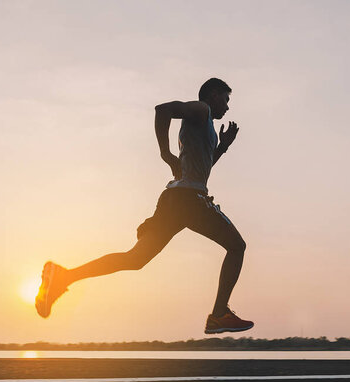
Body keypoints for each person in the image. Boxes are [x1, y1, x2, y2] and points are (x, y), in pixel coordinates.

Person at [35, 78, 254, 334]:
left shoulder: (207, 130)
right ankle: (218, 315)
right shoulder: (201, 109)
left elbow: (202, 170)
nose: (227, 108)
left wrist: (223, 147)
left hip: (176, 199)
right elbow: (163, 110)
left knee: (135, 259)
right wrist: (165, 153)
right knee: (237, 246)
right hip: (189, 200)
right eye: (226, 100)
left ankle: (63, 276)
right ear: (213, 95)